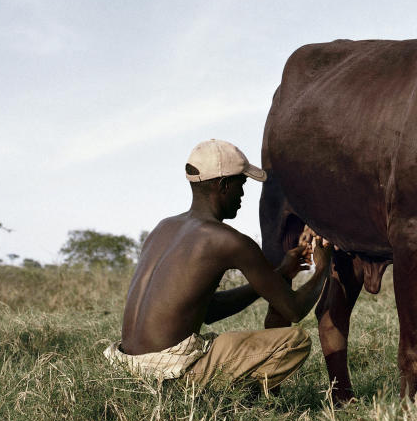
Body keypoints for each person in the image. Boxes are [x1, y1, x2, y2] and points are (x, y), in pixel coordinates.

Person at [104, 138, 331, 392]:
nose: (243, 194)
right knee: (295, 341)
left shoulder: (163, 228)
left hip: (126, 367)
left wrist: (278, 274)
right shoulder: (227, 240)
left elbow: (208, 310)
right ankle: (231, 399)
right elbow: (294, 310)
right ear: (223, 186)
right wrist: (323, 268)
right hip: (167, 373)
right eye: (241, 184)